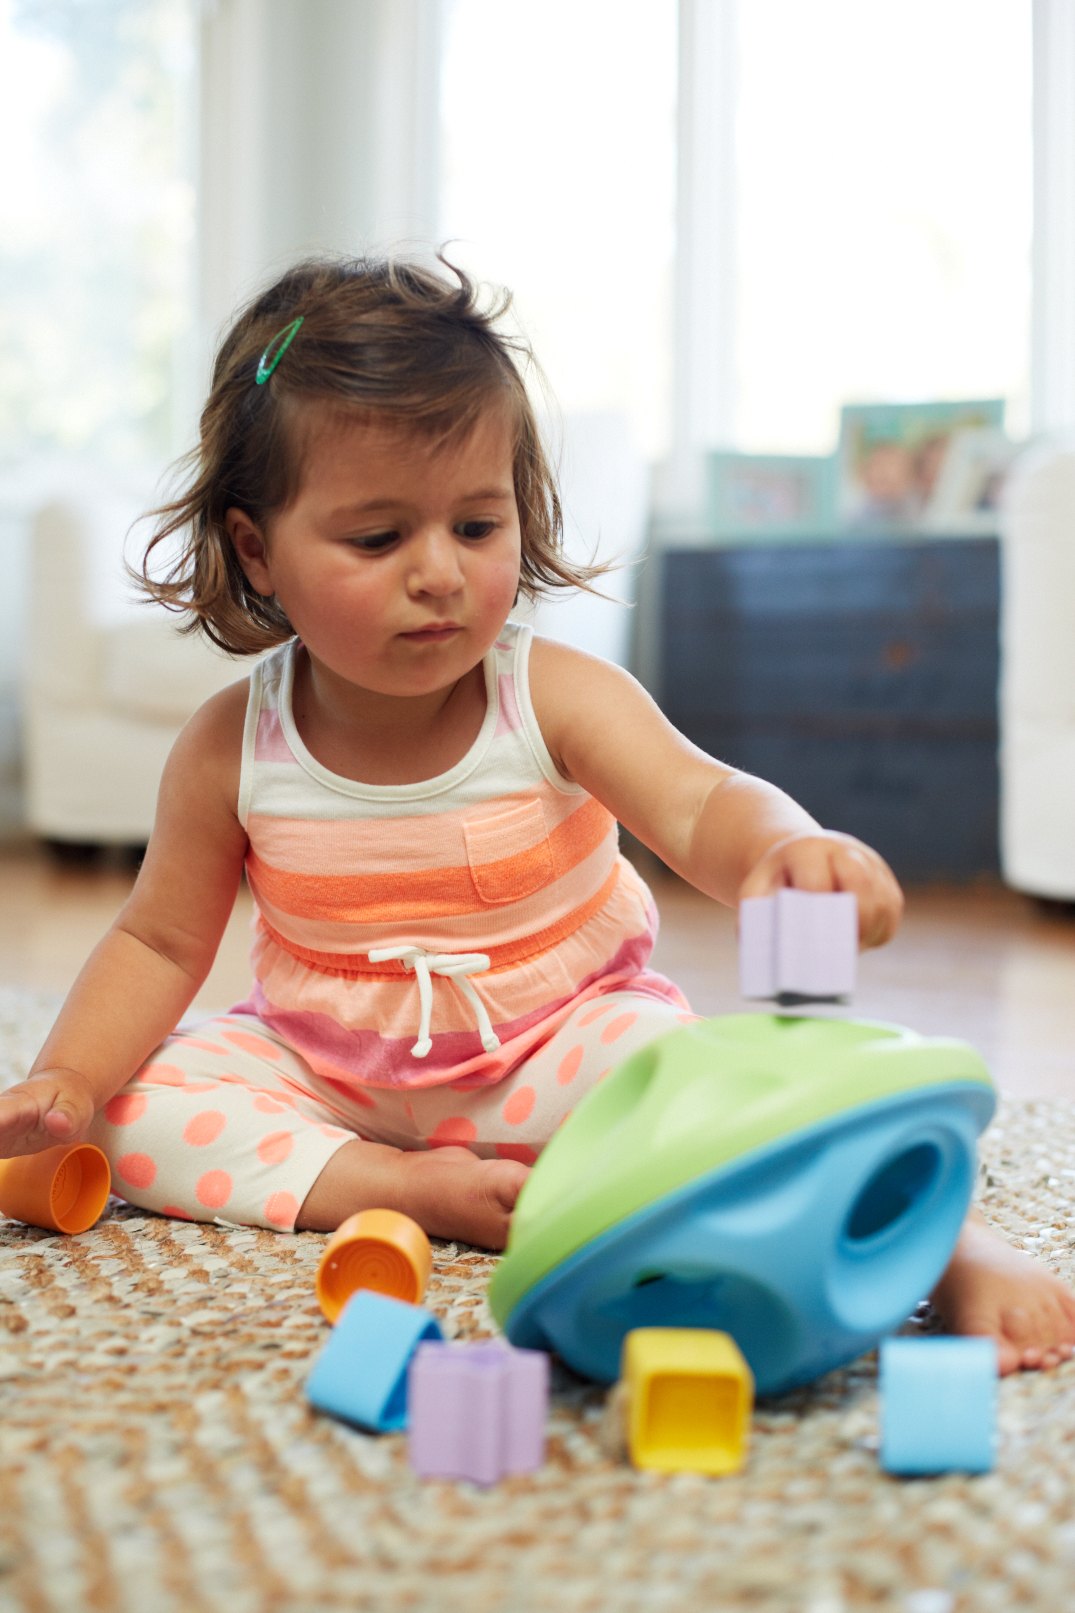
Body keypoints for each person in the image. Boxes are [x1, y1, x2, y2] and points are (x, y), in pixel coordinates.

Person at [2, 255, 1072, 1376]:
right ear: (257, 547)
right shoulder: (233, 743)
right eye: (378, 539)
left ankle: (953, 1251)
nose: (440, 574)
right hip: (328, 1073)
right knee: (133, 1109)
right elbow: (159, 939)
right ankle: (387, 1186)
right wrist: (69, 1077)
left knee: (728, 1099)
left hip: (561, 1049)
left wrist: (782, 847)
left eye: (476, 524)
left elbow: (700, 801)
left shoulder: (546, 693)